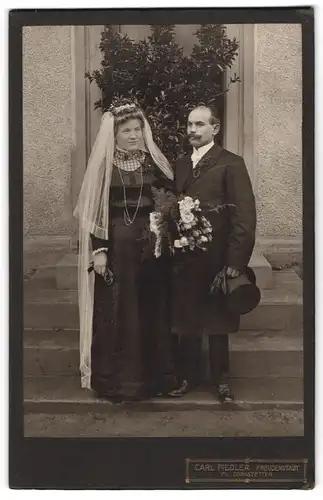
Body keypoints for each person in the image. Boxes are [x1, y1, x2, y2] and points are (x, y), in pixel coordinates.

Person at [74, 99, 180, 403]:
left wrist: (163, 229)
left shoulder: (154, 164)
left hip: (150, 247)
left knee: (152, 308)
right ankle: (119, 383)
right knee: (121, 309)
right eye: (127, 130)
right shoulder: (104, 168)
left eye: (137, 129)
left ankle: (156, 379)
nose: (134, 135)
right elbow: (95, 212)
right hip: (118, 247)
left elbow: (168, 202)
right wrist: (100, 251)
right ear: (114, 134)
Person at [171, 104, 257, 402]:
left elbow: (244, 216)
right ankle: (187, 378)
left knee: (218, 321)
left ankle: (222, 381)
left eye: (199, 125)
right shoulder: (180, 164)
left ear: (215, 129)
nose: (192, 130)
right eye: (190, 125)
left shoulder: (231, 163)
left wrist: (236, 260)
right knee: (186, 319)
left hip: (218, 258)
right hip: (185, 257)